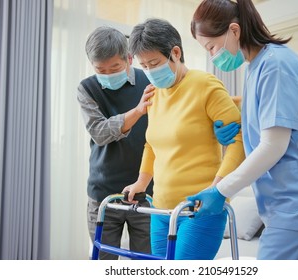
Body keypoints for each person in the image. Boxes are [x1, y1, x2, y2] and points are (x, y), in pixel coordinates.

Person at [188, 0, 298, 260]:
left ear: (235, 31)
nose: (213, 56)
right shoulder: (257, 67)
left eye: (212, 47)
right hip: (289, 206)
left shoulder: (276, 65)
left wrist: (221, 190)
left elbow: (274, 145)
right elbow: (265, 118)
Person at [123, 18, 245, 260]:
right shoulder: (154, 94)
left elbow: (239, 140)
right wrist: (141, 182)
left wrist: (218, 189)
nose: (149, 71)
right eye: (144, 66)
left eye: (154, 63)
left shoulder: (205, 85)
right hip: (161, 209)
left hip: (200, 208)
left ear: (175, 52)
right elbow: (151, 145)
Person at [77, 26, 155, 260]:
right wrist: (138, 111)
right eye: (100, 69)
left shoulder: (150, 80)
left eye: (115, 67)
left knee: (148, 263)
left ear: (129, 59)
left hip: (147, 192)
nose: (108, 74)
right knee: (104, 261)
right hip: (103, 194)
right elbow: (99, 132)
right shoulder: (87, 88)